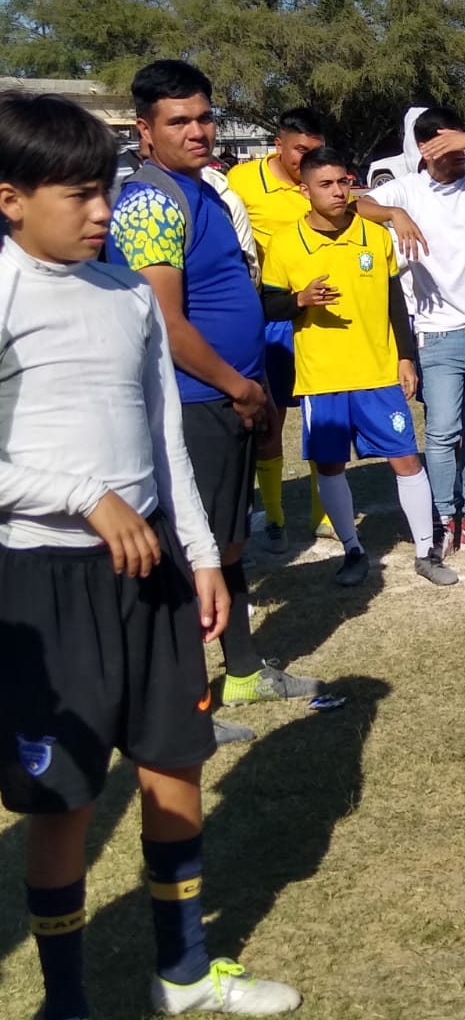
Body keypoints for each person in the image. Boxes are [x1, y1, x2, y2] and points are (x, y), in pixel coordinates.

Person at [0, 91, 301, 1018]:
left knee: (176, 762)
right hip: (44, 580)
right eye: (80, 196)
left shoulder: (128, 292)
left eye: (106, 191)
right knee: (67, 799)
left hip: (156, 570)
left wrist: (201, 555)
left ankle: (186, 971)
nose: (104, 213)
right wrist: (81, 497)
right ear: (11, 198)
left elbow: (166, 438)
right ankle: (68, 1001)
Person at [109, 61, 321, 729]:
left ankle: (244, 672)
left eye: (205, 118)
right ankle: (182, 705)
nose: (197, 131)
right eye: (179, 121)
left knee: (224, 543)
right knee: (186, 552)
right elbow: (167, 324)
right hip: (192, 401)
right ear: (144, 130)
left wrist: (252, 387)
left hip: (230, 397)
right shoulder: (150, 203)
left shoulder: (203, 190)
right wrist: (238, 386)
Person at [259, 147, 459, 589]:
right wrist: (299, 301)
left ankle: (426, 551)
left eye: (343, 182)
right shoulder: (285, 243)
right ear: (305, 190)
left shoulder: (374, 235)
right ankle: (352, 549)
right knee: (330, 466)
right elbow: (268, 305)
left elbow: (395, 301)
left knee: (406, 459)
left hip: (377, 373)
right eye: (325, 184)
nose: (337, 191)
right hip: (321, 378)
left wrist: (405, 357)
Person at [356, 107, 465, 554]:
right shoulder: (407, 189)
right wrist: (395, 213)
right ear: (424, 148)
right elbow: (355, 204)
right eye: (448, 146)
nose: (459, 156)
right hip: (438, 333)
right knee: (441, 433)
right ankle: (441, 519)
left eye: (461, 146)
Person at [228, 108, 331, 549]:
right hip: (268, 316)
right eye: (300, 150)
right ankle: (273, 516)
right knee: (270, 419)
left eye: (315, 150)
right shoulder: (241, 181)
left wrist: (394, 213)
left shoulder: (320, 181)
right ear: (278, 145)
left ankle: (324, 514)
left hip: (316, 314)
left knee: (321, 418)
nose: (307, 159)